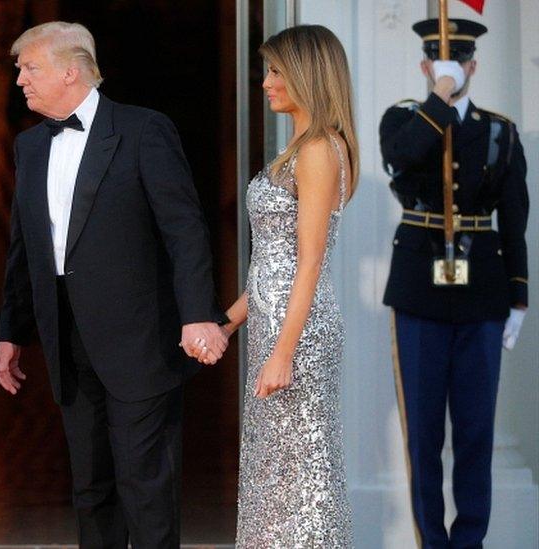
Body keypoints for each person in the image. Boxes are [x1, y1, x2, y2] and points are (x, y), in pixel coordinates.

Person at [0, 21, 229, 548]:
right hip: (68, 345)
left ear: (70, 70)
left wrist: (197, 314)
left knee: (145, 487)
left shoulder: (144, 130)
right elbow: (22, 250)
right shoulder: (30, 147)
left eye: (30, 68)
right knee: (90, 488)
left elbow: (184, 229)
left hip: (142, 342)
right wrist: (11, 331)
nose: (21, 81)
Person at [380, 19, 529, 549]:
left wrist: (518, 296)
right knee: (423, 434)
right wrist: (439, 98)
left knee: (474, 433)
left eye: (459, 63)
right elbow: (404, 157)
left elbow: (514, 216)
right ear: (426, 67)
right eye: (440, 64)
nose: (452, 70)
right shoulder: (402, 120)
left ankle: (470, 542)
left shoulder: (499, 131)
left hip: (483, 292)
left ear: (474, 65)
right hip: (419, 291)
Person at [221, 25, 358, 547]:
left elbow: (309, 261)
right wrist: (226, 324)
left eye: (276, 71)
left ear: (307, 74)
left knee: (304, 481)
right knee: (276, 478)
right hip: (277, 327)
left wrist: (283, 352)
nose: (266, 83)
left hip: (297, 336)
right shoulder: (301, 146)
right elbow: (269, 268)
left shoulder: (320, 149)